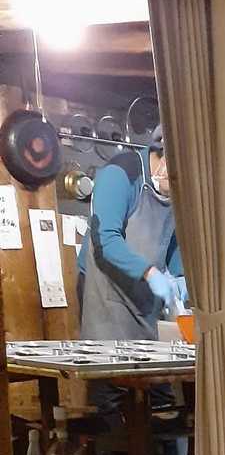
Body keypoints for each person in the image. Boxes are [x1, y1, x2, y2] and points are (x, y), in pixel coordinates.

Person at [78, 124, 186, 344]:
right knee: (110, 360)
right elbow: (105, 239)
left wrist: (180, 278)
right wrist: (150, 273)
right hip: (105, 294)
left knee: (151, 362)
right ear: (164, 155)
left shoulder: (178, 188)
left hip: (144, 298)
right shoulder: (121, 173)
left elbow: (172, 239)